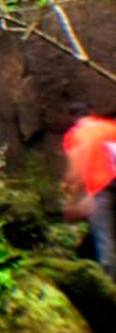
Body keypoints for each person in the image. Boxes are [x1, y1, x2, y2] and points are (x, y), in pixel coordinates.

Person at [62, 105, 116, 277]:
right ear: (91, 114)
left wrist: (72, 197)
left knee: (105, 239)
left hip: (102, 186)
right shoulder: (110, 127)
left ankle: (111, 285)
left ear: (73, 119)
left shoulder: (77, 134)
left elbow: (77, 165)